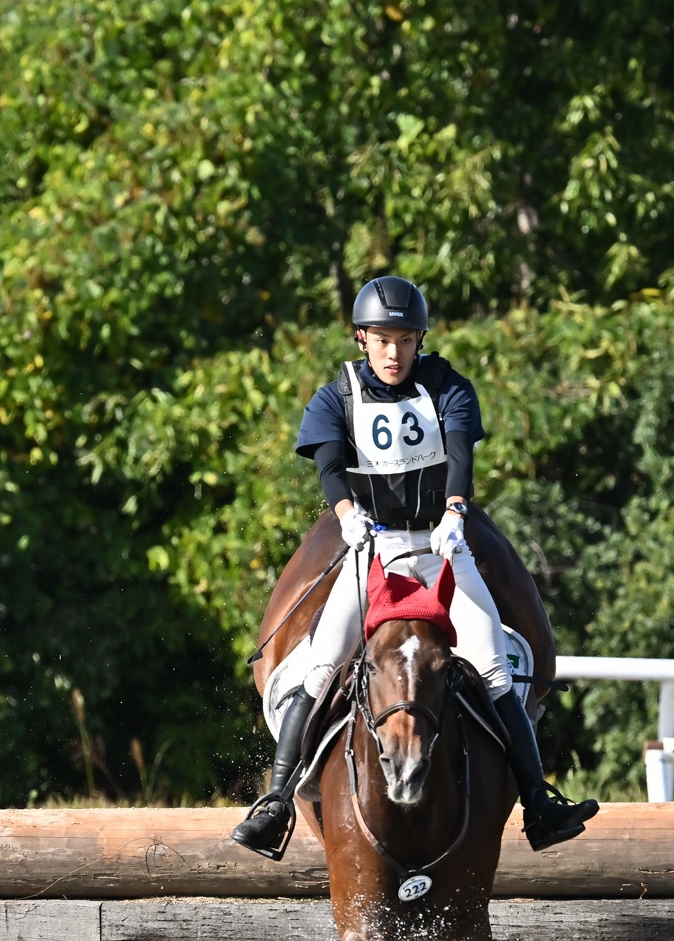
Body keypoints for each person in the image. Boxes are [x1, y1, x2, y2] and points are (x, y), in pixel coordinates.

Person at [230, 276, 599, 858]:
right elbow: (330, 468)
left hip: (441, 546)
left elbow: (460, 454)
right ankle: (276, 803)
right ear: (361, 339)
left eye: (405, 340)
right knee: (321, 666)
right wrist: (346, 515)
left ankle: (538, 803)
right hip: (371, 548)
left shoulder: (448, 386)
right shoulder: (335, 397)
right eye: (382, 340)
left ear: (419, 340)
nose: (394, 353)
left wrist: (455, 512)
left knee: (494, 667)